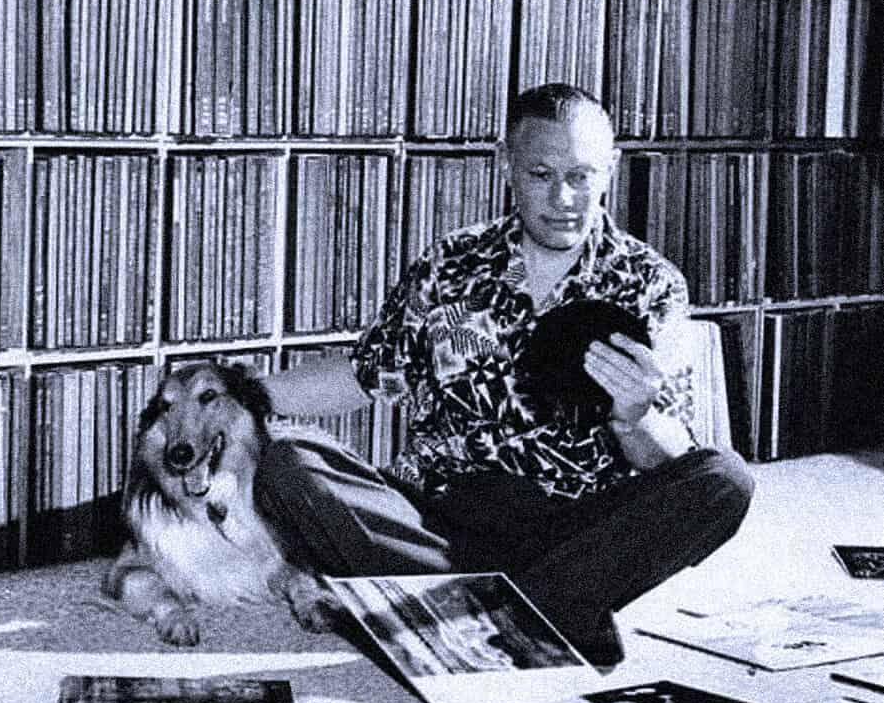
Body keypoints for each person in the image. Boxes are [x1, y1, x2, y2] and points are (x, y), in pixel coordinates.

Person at [258, 84, 754, 666]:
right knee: (283, 460)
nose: (564, 197)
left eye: (582, 175)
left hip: (574, 529)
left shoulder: (652, 284)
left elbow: (664, 461)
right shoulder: (450, 262)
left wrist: (635, 414)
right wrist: (239, 390)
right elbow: (365, 375)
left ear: (611, 169)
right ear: (506, 164)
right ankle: (537, 614)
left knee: (724, 481)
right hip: (436, 519)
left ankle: (498, 611)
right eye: (542, 174)